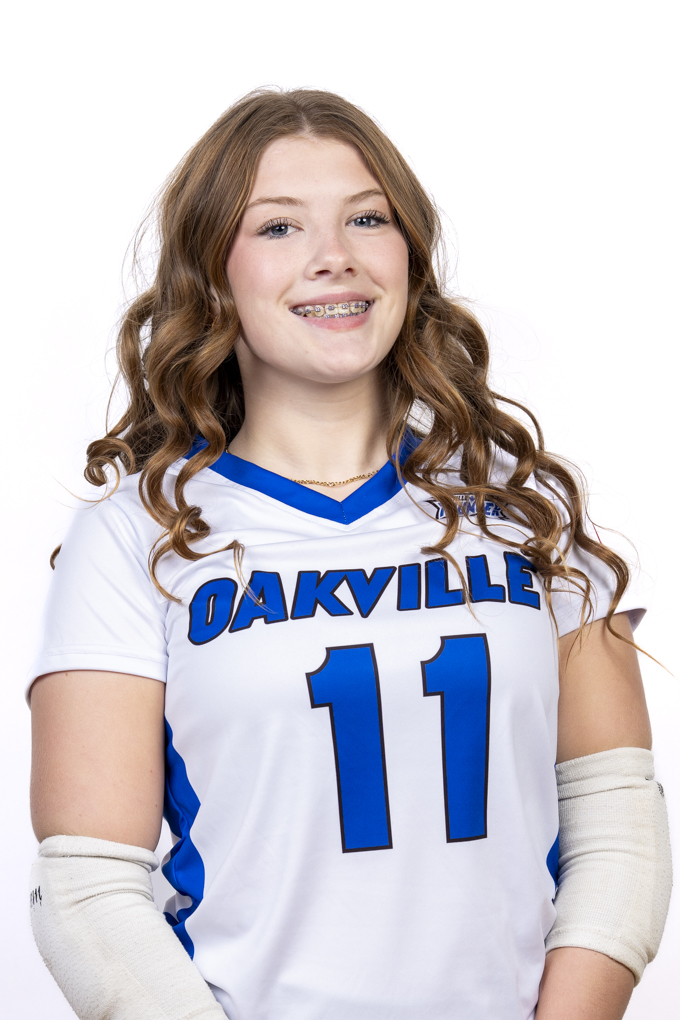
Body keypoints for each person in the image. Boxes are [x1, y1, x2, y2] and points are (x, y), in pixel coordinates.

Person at [28, 88, 671, 1020]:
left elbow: (616, 825)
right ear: (212, 272)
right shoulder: (136, 534)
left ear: (409, 254)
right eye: (278, 226)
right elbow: (88, 891)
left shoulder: (524, 505)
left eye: (368, 219)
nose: (335, 255)